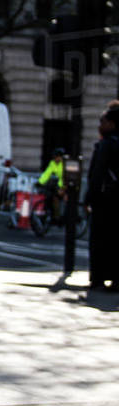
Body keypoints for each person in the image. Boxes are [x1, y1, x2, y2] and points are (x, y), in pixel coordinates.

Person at [84, 105, 119, 291]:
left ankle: (97, 278)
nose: (100, 125)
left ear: (112, 123)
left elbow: (97, 174)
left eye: (103, 122)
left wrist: (88, 198)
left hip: (105, 200)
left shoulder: (106, 144)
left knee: (99, 240)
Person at [38, 148, 66, 224]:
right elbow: (47, 173)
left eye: (57, 157)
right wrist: (40, 182)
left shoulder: (65, 164)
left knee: (56, 199)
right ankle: (49, 215)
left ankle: (58, 217)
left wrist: (63, 187)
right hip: (56, 186)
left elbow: (65, 177)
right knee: (48, 197)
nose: (56, 158)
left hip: (64, 186)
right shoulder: (52, 163)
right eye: (55, 157)